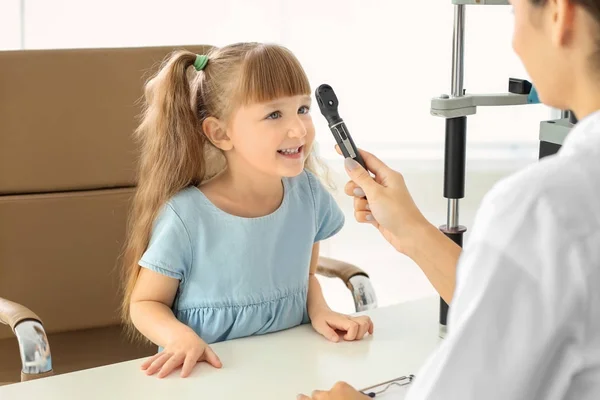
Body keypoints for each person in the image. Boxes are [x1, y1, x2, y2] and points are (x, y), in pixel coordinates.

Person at [298, 0, 600, 398]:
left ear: (561, 15)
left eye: (515, 12)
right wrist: (412, 230)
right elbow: (518, 305)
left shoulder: (543, 208)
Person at [119, 42, 373, 379]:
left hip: (290, 368)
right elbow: (145, 304)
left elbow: (306, 276)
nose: (299, 129)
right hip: (208, 377)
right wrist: (179, 337)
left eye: (302, 108)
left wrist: (321, 309)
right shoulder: (186, 217)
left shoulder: (309, 195)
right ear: (220, 133)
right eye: (273, 114)